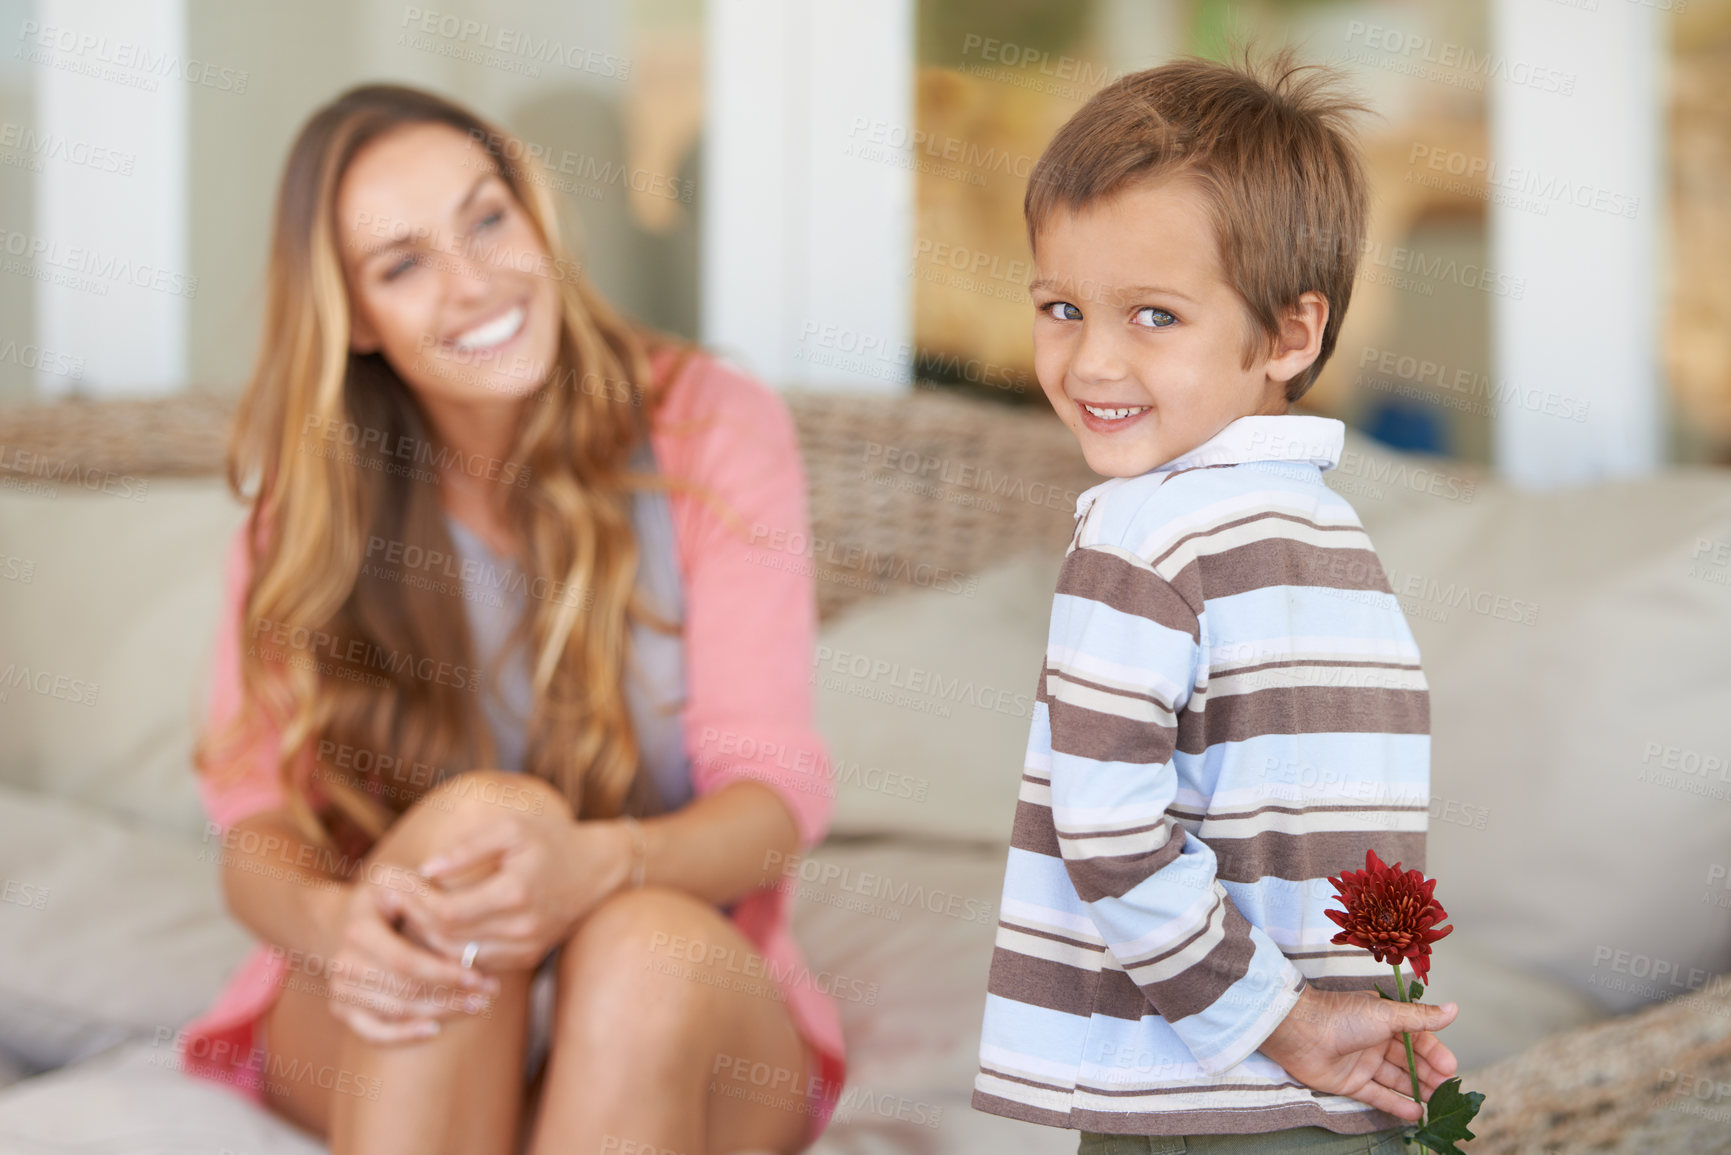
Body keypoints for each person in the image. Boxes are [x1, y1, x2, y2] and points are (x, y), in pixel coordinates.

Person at [177, 83, 845, 1155]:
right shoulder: (309, 510)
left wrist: (601, 864)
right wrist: (336, 924)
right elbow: (256, 823)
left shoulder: (710, 424)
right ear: (349, 317)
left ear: (533, 214)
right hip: (406, 1011)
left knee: (634, 945)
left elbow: (775, 802)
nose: (476, 281)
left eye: (487, 217)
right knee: (469, 832)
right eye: (403, 264)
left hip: (675, 993)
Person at [971, 53, 1461, 1153]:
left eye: (1153, 315)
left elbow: (1136, 831)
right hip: (1293, 1079)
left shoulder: (1155, 532)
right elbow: (1143, 833)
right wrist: (1304, 1019)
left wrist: (1306, 1019)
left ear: (1291, 335)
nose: (1092, 359)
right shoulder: (1324, 535)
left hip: (1215, 1090)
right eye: (1061, 306)